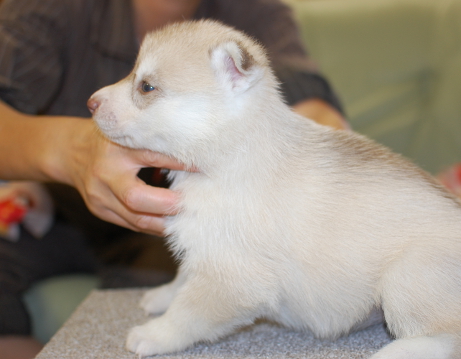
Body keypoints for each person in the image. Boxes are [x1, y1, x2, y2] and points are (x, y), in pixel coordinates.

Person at [0, 0, 347, 357]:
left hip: (179, 217)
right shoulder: (49, 8)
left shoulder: (252, 13)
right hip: (56, 212)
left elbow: (311, 109)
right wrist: (64, 151)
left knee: (179, 305)